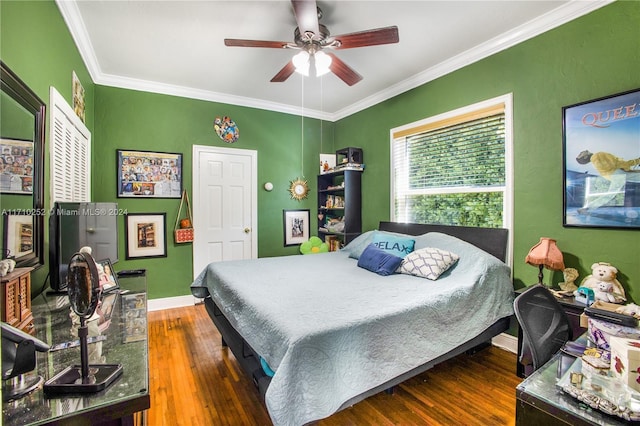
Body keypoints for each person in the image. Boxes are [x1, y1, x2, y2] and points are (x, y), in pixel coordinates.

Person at [575, 150, 640, 212]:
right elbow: (620, 163)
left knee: (609, 195)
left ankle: (587, 208)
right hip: (618, 174)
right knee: (609, 195)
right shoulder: (597, 155)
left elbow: (612, 168)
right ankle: (587, 208)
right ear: (585, 157)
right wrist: (637, 161)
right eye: (580, 154)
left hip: (617, 174)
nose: (581, 152)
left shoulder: (595, 160)